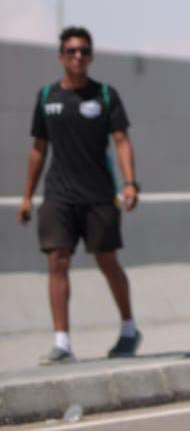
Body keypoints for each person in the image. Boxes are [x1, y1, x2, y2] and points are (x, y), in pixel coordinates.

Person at [17, 25, 143, 365]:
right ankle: (62, 343)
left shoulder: (105, 95)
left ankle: (129, 328)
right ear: (61, 56)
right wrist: (27, 196)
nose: (78, 56)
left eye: (84, 51)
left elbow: (121, 141)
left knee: (107, 260)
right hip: (58, 194)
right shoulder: (47, 97)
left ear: (91, 56)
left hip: (99, 194)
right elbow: (38, 149)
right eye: (72, 51)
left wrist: (130, 183)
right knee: (57, 259)